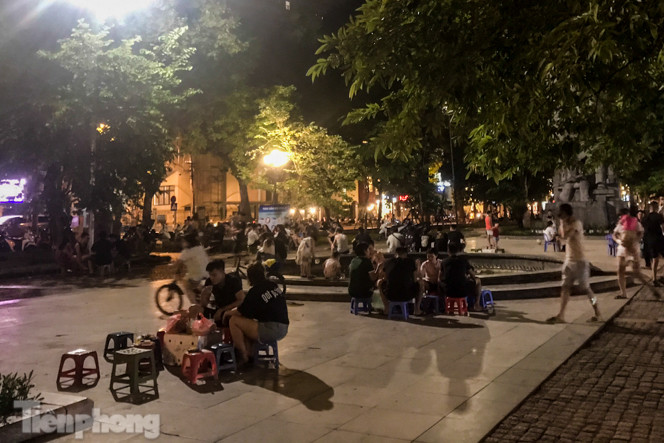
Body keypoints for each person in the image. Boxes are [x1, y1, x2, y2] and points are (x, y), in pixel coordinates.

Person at [224, 262, 289, 366]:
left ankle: (243, 356)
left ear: (250, 277)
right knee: (246, 323)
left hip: (271, 329)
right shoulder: (273, 285)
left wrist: (227, 313)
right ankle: (250, 353)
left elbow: (240, 311)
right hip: (283, 328)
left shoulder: (255, 291)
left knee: (234, 321)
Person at [547, 203, 601, 323]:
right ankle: (561, 315)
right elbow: (561, 235)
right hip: (569, 260)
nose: (560, 216)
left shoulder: (576, 223)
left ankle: (597, 311)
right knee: (565, 288)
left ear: (567, 213)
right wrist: (562, 223)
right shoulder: (565, 223)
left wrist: (562, 223)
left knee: (587, 289)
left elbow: (566, 235)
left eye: (562, 214)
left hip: (580, 261)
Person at [613, 206, 648, 299]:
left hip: (633, 250)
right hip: (622, 250)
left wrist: (635, 240)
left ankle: (650, 288)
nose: (621, 217)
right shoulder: (620, 224)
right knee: (620, 270)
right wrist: (619, 241)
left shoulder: (635, 222)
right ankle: (623, 293)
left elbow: (641, 232)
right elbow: (614, 235)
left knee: (636, 272)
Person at [199, 259, 245, 325]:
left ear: (222, 272)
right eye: (210, 275)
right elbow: (204, 305)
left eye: (214, 275)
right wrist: (203, 295)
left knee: (231, 317)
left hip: (231, 310)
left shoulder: (233, 281)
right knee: (196, 309)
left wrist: (222, 310)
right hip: (217, 309)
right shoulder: (209, 282)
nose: (212, 278)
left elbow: (241, 300)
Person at [380, 247, 423, 315]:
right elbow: (415, 280)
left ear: (395, 254)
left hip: (390, 294)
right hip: (407, 295)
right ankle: (417, 309)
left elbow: (385, 279)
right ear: (405, 254)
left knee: (379, 282)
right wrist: (418, 267)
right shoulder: (410, 262)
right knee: (421, 283)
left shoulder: (388, 262)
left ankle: (387, 309)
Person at [440, 243, 482, 311]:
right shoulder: (463, 260)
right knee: (478, 281)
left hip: (448, 291)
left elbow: (440, 276)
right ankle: (476, 304)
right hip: (462, 291)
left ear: (448, 251)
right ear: (458, 251)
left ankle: (442, 305)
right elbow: (473, 275)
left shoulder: (444, 262)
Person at [174, 234, 209, 303]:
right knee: (195, 284)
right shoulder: (199, 248)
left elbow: (179, 263)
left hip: (197, 274)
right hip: (207, 271)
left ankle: (194, 303)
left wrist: (175, 268)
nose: (183, 243)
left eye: (184, 241)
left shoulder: (186, 252)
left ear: (188, 242)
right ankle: (202, 293)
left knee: (186, 284)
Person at [641, 201, 664, 285]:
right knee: (658, 258)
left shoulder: (645, 218)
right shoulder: (659, 216)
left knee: (655, 258)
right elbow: (662, 227)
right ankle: (661, 276)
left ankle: (654, 278)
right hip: (658, 239)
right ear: (656, 207)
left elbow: (642, 229)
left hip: (648, 240)